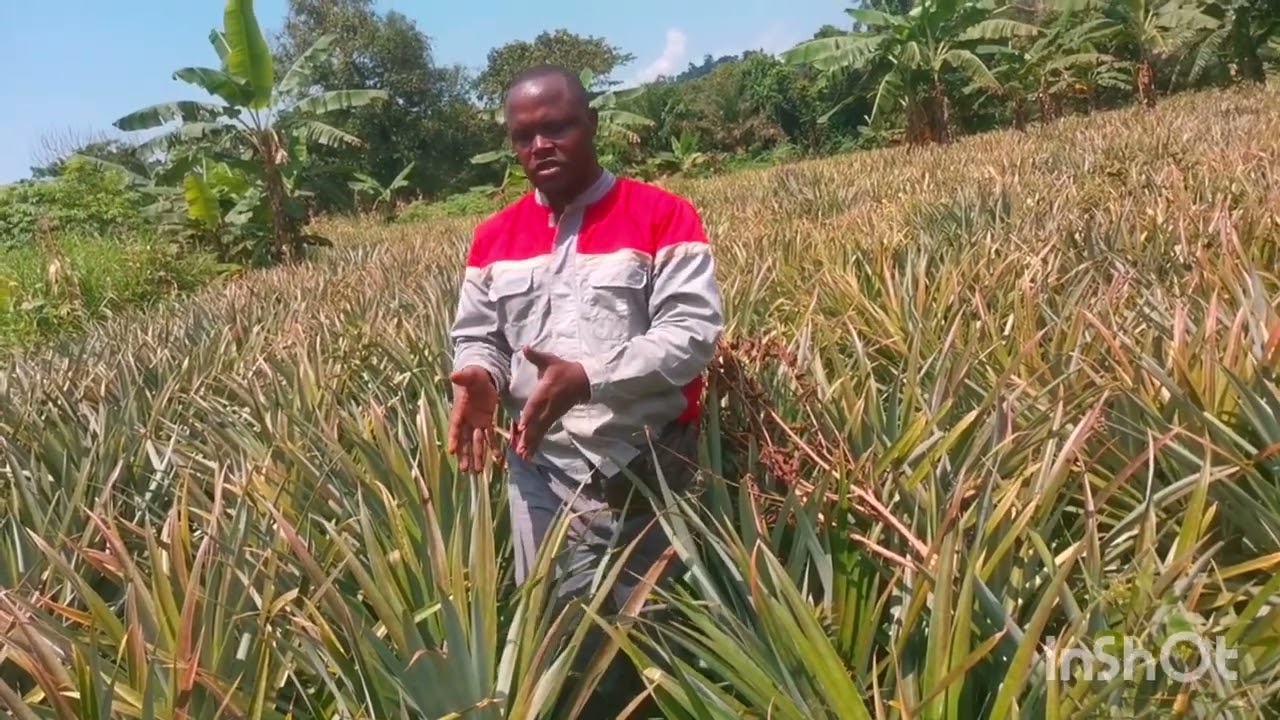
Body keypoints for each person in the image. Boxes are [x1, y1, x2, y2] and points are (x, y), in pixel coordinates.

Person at [446, 63, 724, 714]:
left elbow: (693, 333)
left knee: (653, 640)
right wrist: (480, 375)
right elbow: (478, 335)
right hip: (539, 470)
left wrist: (589, 377)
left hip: (648, 465)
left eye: (557, 127)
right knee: (560, 642)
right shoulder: (493, 239)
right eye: (523, 135)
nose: (539, 145)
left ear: (592, 124)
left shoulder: (663, 214)